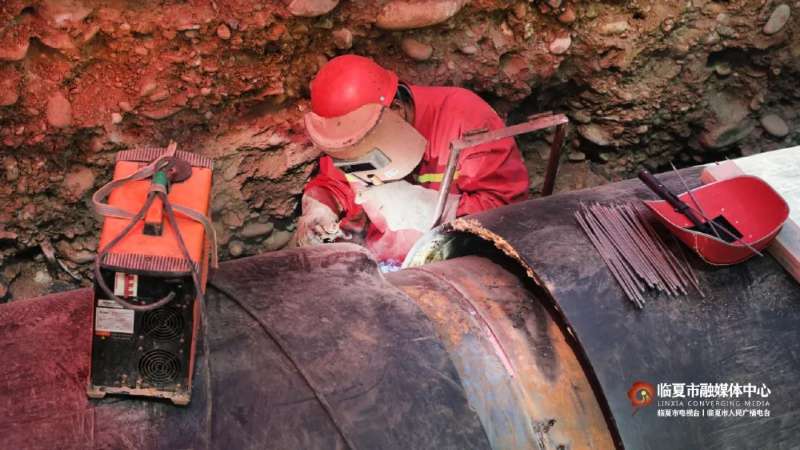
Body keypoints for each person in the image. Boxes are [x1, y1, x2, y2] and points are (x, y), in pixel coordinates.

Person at [295, 54, 529, 264]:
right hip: (385, 265)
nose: (356, 158)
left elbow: (508, 214)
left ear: (396, 109)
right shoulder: (351, 135)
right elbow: (333, 184)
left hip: (459, 263)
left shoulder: (466, 119)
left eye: (362, 146)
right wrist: (320, 208)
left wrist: (433, 209)